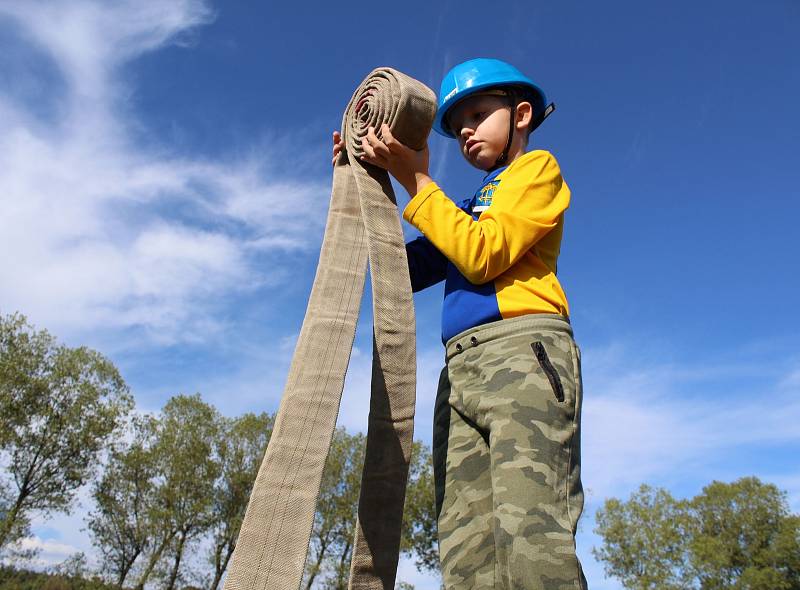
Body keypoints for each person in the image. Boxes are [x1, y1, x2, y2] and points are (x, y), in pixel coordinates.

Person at [333, 58, 586, 590]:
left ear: (520, 114)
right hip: (461, 368)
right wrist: (364, 181)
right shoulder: (466, 205)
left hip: (523, 354)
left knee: (530, 532)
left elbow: (483, 253)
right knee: (465, 547)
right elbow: (401, 265)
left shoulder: (536, 170)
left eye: (476, 113)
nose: (466, 130)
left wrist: (418, 180)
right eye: (457, 125)